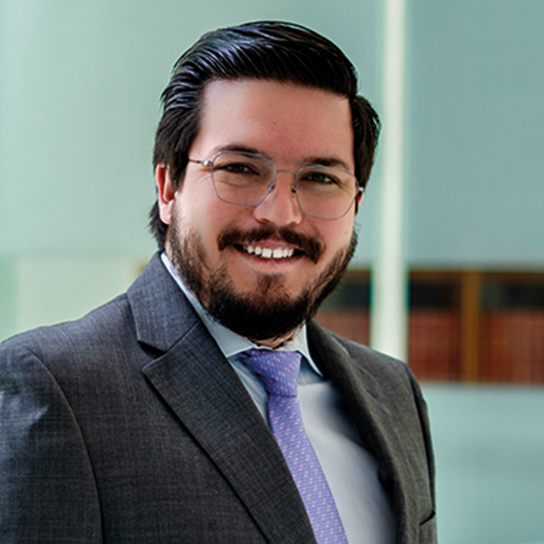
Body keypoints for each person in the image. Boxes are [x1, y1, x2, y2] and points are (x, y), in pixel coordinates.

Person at [0, 21, 436, 544]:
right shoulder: (56, 389)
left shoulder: (393, 392)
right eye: (240, 168)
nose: (281, 214)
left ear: (355, 203)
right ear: (169, 186)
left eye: (321, 178)